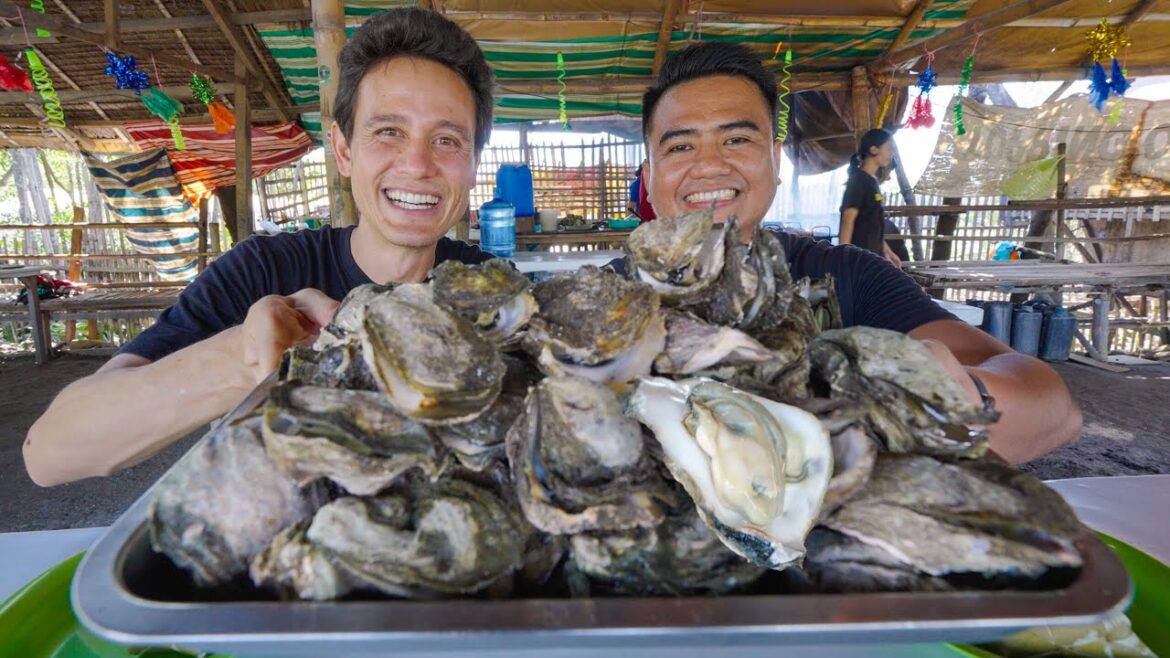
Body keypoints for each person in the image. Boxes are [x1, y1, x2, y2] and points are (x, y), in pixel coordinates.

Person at [24, 7, 497, 486]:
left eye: (446, 139)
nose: (417, 164)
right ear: (344, 150)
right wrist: (247, 356)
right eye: (389, 131)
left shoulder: (493, 295)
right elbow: (49, 454)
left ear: (473, 164)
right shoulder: (262, 271)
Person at [625, 41, 1081, 464]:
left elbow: (1054, 407)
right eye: (681, 146)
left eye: (736, 140)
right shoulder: (606, 298)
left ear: (775, 160)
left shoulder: (848, 276)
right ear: (649, 176)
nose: (708, 165)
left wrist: (965, 397)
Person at [839, 128, 901, 266]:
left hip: (872, 256)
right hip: (859, 257)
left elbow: (873, 224)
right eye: (888, 148)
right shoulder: (858, 180)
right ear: (874, 149)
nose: (890, 154)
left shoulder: (872, 181)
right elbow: (848, 218)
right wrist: (842, 256)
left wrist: (886, 250)